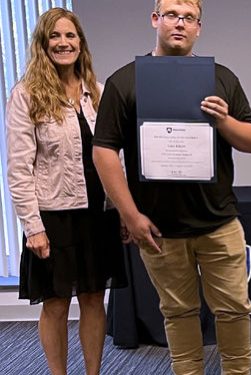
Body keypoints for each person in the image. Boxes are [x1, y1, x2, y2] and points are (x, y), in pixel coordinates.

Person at [92, 0, 251, 373]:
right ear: (155, 20)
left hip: (218, 222)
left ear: (198, 27)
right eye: (171, 15)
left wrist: (223, 121)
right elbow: (103, 150)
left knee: (234, 311)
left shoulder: (221, 78)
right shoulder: (125, 81)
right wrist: (130, 215)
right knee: (178, 313)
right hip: (158, 229)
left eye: (189, 18)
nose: (180, 24)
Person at [5, 7, 127, 375]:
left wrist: (122, 210)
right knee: (55, 303)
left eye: (70, 36)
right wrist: (33, 227)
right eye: (55, 36)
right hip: (53, 216)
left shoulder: (97, 92)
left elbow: (113, 158)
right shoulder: (27, 95)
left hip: (97, 213)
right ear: (43, 44)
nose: (63, 43)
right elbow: (18, 168)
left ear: (80, 43)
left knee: (94, 297)